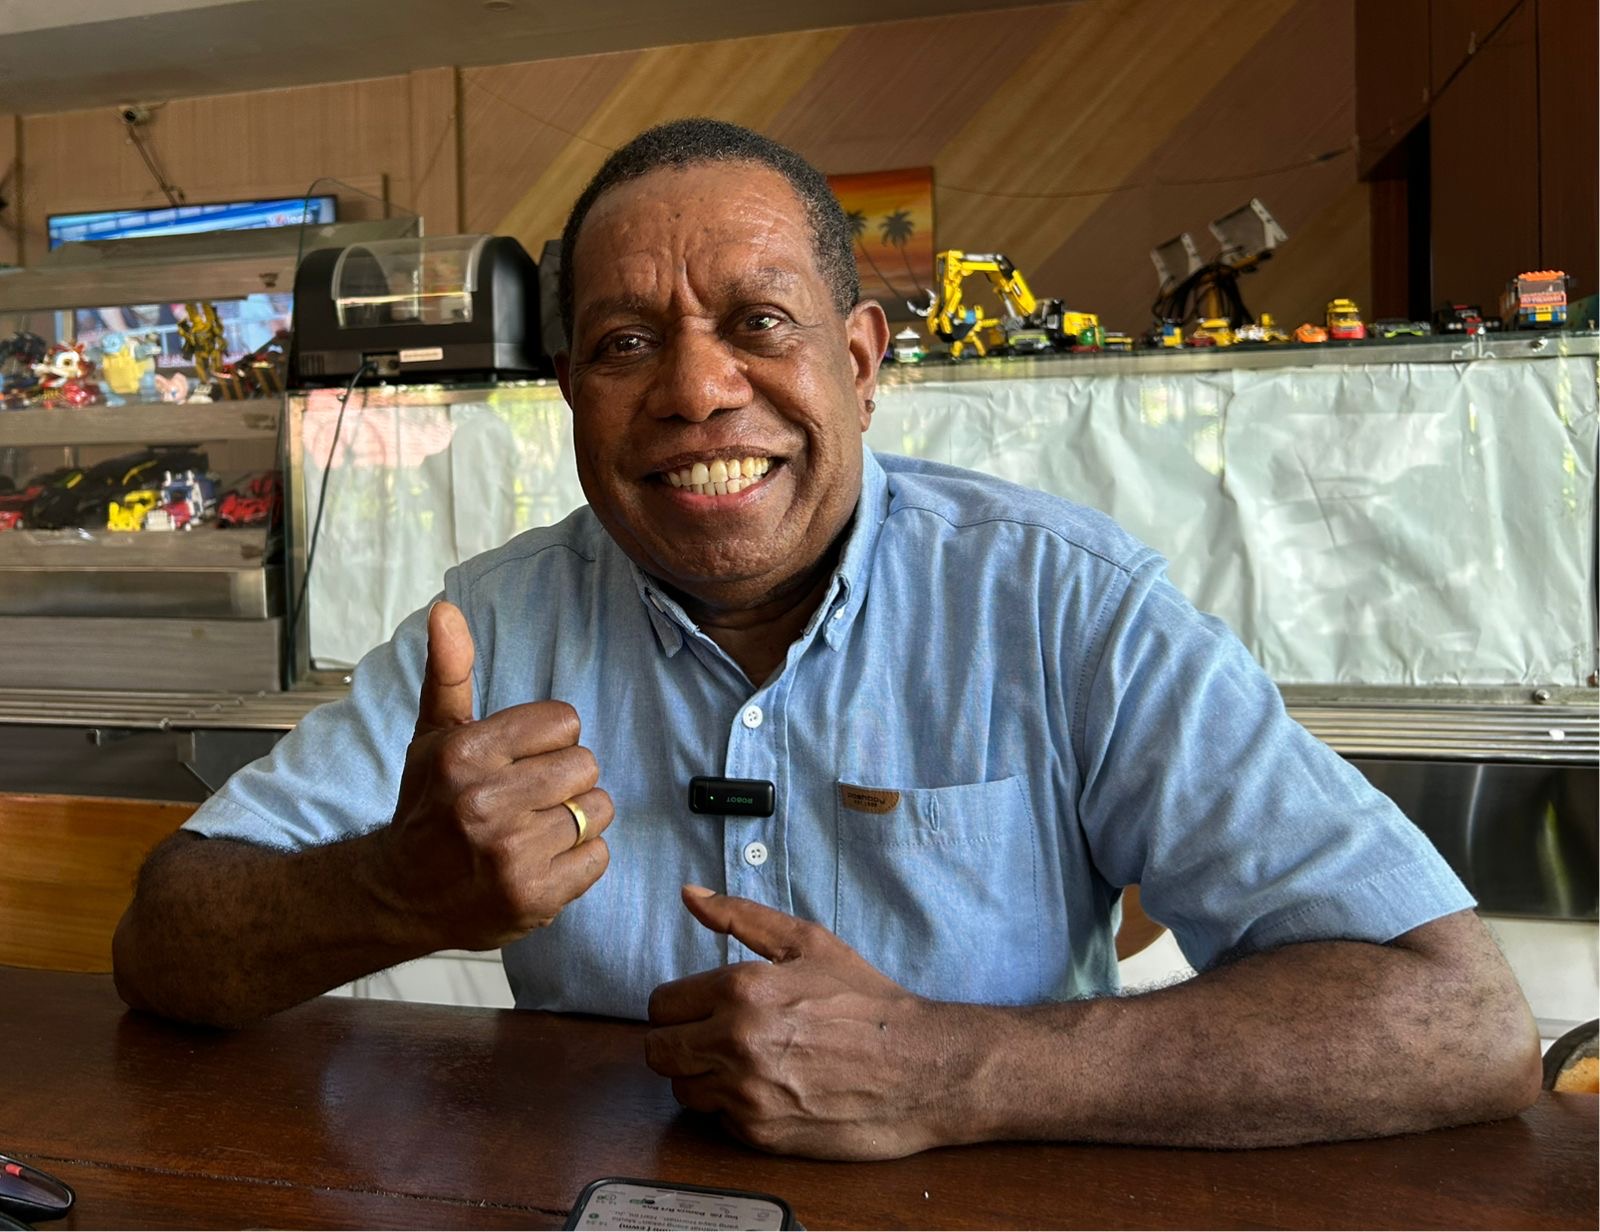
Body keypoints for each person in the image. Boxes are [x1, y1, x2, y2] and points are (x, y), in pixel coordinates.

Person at [113, 118, 1540, 1160]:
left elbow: (1457, 1025)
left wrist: (960, 1069)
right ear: (570, 393)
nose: (696, 390)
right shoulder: (489, 630)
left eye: (758, 324)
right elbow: (163, 943)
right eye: (625, 344)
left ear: (860, 362)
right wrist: (391, 890)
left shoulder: (1064, 604)